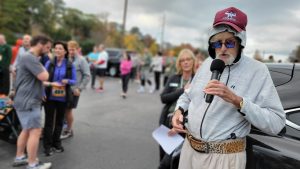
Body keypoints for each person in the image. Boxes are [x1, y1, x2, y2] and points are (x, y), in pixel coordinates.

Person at [171, 7, 286, 169]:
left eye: (229, 42)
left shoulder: (258, 71)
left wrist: (237, 101)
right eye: (218, 42)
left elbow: (277, 123)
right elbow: (188, 95)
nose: (223, 48)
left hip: (225, 159)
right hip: (189, 152)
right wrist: (179, 111)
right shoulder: (207, 64)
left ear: (240, 43)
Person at [12, 35, 52, 169]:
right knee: (35, 131)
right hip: (29, 101)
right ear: (40, 44)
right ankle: (32, 163)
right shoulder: (30, 58)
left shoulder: (27, 57)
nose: (48, 50)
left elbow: (33, 79)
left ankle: (20, 157)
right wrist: (46, 62)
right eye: (47, 47)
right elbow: (44, 76)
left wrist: (41, 91)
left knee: (27, 129)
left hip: (24, 99)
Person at [158, 49, 196, 169]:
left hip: (185, 124)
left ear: (193, 62)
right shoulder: (173, 78)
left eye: (188, 59)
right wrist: (182, 90)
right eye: (182, 60)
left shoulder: (198, 80)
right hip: (167, 120)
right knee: (164, 154)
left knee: (170, 161)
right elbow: (163, 98)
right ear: (179, 63)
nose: (185, 62)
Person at [43, 41, 76, 156]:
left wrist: (68, 81)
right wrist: (43, 92)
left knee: (59, 121)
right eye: (55, 48)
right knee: (49, 121)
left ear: (65, 51)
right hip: (50, 97)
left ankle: (56, 143)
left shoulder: (70, 64)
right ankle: (47, 146)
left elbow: (74, 80)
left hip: (63, 97)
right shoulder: (49, 63)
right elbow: (43, 80)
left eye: (60, 48)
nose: (57, 50)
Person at [60, 40, 90, 139]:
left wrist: (80, 89)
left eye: (73, 50)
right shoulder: (65, 59)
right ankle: (63, 128)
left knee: (68, 111)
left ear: (77, 49)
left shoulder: (82, 60)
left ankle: (69, 130)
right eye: (69, 50)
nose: (71, 52)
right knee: (62, 109)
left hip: (74, 90)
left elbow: (87, 76)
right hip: (62, 89)